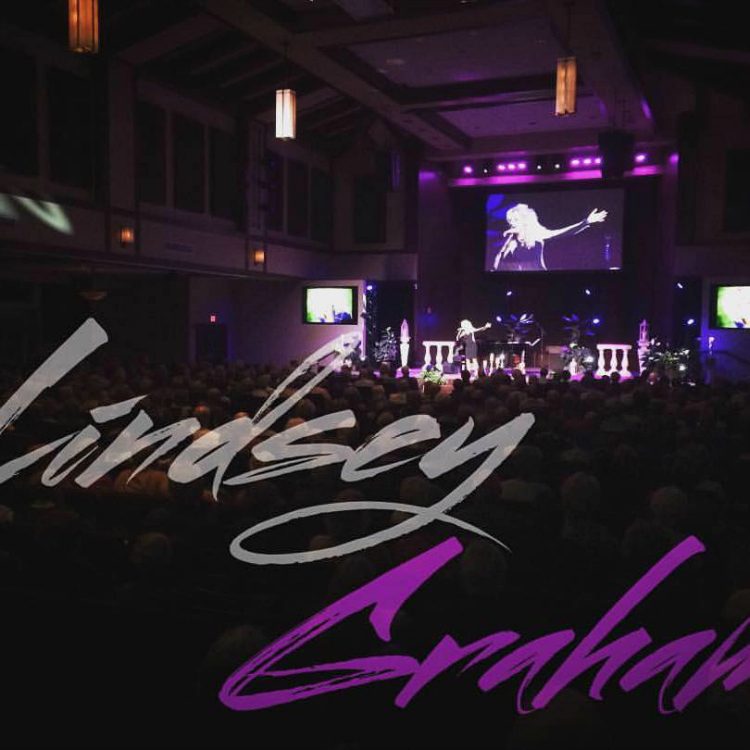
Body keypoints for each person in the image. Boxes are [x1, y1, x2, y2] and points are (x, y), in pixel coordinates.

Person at [492, 203, 608, 271]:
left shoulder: (536, 233)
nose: (512, 223)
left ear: (525, 220)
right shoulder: (510, 237)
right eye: (510, 220)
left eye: (516, 220)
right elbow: (497, 261)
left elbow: (563, 232)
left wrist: (586, 222)